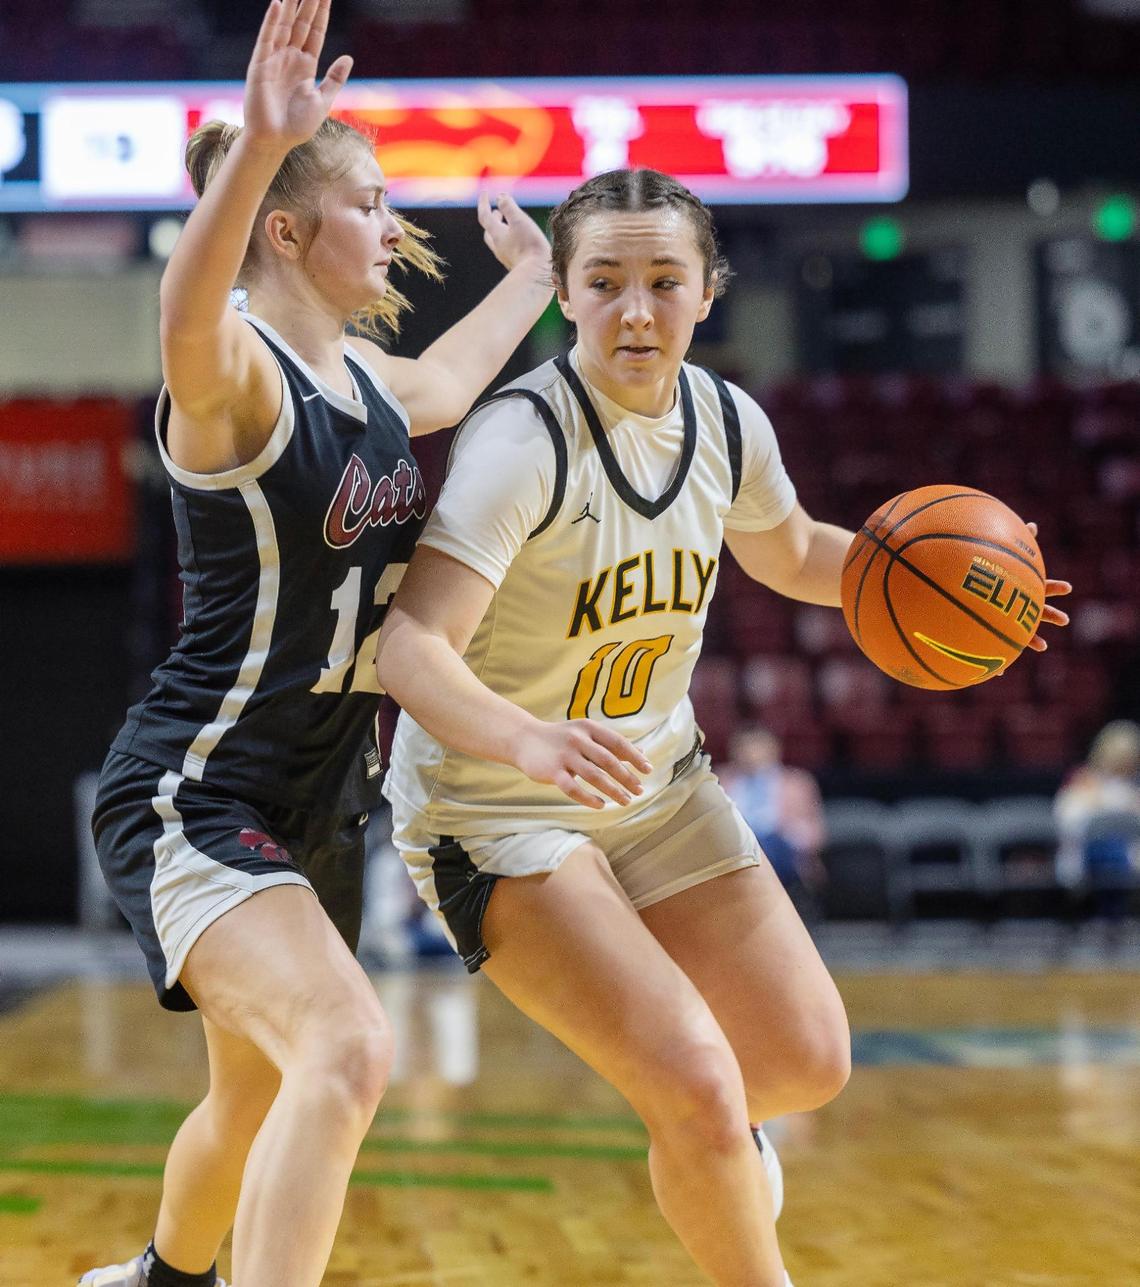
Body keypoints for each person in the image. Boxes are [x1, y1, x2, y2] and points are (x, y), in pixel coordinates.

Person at [375, 167, 1073, 1286]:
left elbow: (793, 551)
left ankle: (720, 1145)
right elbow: (407, 649)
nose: (636, 309)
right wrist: (527, 738)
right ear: (562, 289)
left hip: (656, 784)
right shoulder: (521, 443)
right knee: (695, 1085)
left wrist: (979, 588)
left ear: (709, 291)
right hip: (496, 806)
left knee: (802, 1060)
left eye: (663, 280)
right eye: (603, 282)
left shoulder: (726, 420)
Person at [81, 2, 552, 1284]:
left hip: (319, 806)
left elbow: (453, 383)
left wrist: (544, 279)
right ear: (287, 230)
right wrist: (257, 148)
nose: (394, 224)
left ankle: (156, 1281)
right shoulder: (235, 375)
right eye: (371, 201)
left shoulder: (367, 381)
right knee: (348, 1049)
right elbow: (187, 308)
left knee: (252, 1101)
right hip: (200, 788)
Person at [722, 725, 827, 917]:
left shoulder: (796, 782)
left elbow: (814, 834)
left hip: (783, 850)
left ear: (774, 749)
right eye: (744, 747)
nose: (750, 753)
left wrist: (787, 831)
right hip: (735, 849)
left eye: (757, 746)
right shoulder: (720, 780)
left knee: (767, 843)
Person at [1055, 719, 1140, 921]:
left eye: (1128, 757)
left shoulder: (1134, 787)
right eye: (1118, 756)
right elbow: (1065, 819)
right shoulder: (1083, 780)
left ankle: (1116, 915)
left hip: (1130, 854)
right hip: (1086, 854)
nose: (1123, 762)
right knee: (1107, 849)